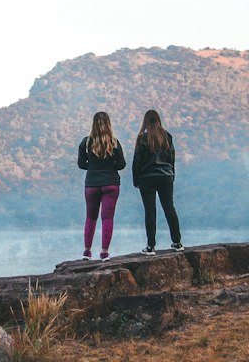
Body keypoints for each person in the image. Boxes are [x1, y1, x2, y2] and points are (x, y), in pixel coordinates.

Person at [132, 108, 183, 254]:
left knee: (150, 211)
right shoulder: (167, 136)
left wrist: (136, 180)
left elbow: (137, 161)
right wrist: (171, 175)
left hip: (147, 178)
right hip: (166, 176)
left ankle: (151, 246)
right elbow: (172, 158)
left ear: (145, 121)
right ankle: (177, 242)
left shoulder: (142, 138)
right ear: (159, 120)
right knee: (169, 208)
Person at [77, 110, 126, 260]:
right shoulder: (114, 142)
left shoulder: (85, 142)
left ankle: (87, 251)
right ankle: (104, 253)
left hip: (91, 184)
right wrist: (110, 166)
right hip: (111, 184)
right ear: (109, 124)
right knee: (107, 218)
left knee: (90, 217)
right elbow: (122, 165)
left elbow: (81, 164)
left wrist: (92, 166)